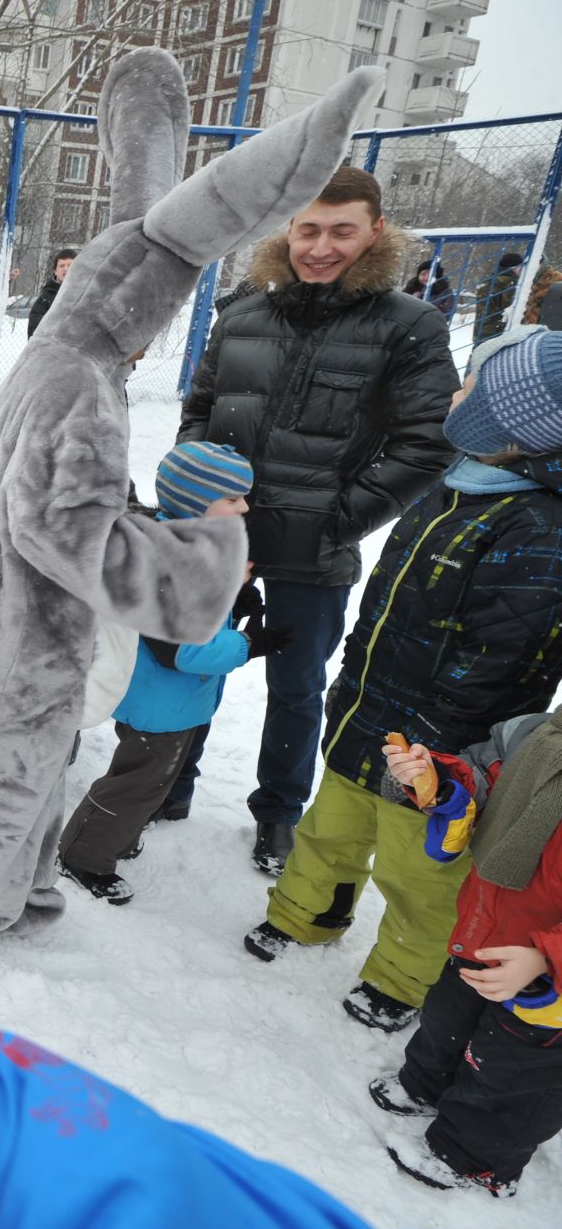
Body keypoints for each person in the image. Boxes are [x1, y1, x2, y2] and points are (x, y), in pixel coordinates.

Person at [0, 55, 380, 968]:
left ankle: (7, 899)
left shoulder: (55, 358)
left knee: (9, 779)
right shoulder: (80, 382)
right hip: (14, 640)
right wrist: (206, 555)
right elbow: (64, 530)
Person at [245, 323, 562, 1034]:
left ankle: (400, 976)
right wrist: (353, 681)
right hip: (368, 707)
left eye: (476, 388)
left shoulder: (539, 527)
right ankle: (307, 915)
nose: (459, 392)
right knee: (330, 826)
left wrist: (434, 743)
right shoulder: (455, 486)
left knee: (420, 873)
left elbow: (504, 654)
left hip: (434, 750)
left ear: (514, 423)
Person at [177, 165, 459, 875]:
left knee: (297, 687)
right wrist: (202, 494)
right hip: (224, 533)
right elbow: (199, 414)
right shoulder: (243, 314)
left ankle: (277, 812)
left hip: (317, 547)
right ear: (287, 229)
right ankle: (169, 780)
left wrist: (339, 520)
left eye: (342, 231)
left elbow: (426, 441)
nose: (322, 247)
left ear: (375, 231)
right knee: (190, 664)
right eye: (309, 229)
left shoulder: (410, 327)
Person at [55, 444, 284, 904]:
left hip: (167, 701)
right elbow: (182, 650)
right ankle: (84, 853)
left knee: (149, 781)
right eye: (234, 498)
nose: (245, 507)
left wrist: (233, 600)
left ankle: (114, 834)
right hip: (160, 702)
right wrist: (248, 645)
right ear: (197, 501)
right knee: (136, 784)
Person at [371, 708, 562, 1199]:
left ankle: (477, 1158)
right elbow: (480, 779)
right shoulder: (534, 733)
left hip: (548, 973)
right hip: (486, 927)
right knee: (448, 1016)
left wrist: (546, 957)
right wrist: (433, 777)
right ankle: (426, 1084)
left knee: (513, 1069)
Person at [27, 248, 77, 338]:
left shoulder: (87, 295)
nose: (66, 269)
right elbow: (34, 332)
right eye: (62, 266)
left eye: (70, 265)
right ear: (55, 271)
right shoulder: (44, 300)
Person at [476, 250, 524, 342]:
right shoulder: (510, 283)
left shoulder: (489, 280)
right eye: (520, 267)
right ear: (514, 267)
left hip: (481, 329)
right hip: (498, 333)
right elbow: (510, 310)